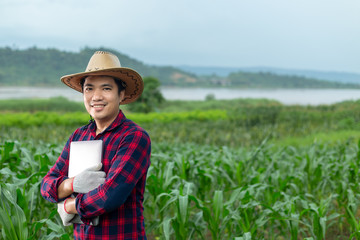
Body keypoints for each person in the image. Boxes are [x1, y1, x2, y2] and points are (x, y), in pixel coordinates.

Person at [40, 51, 151, 240]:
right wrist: (72, 183)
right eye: (89, 89)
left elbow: (110, 196)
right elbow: (46, 185)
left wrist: (68, 205)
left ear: (121, 94)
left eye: (106, 88)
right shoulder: (79, 136)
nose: (96, 96)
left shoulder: (134, 137)